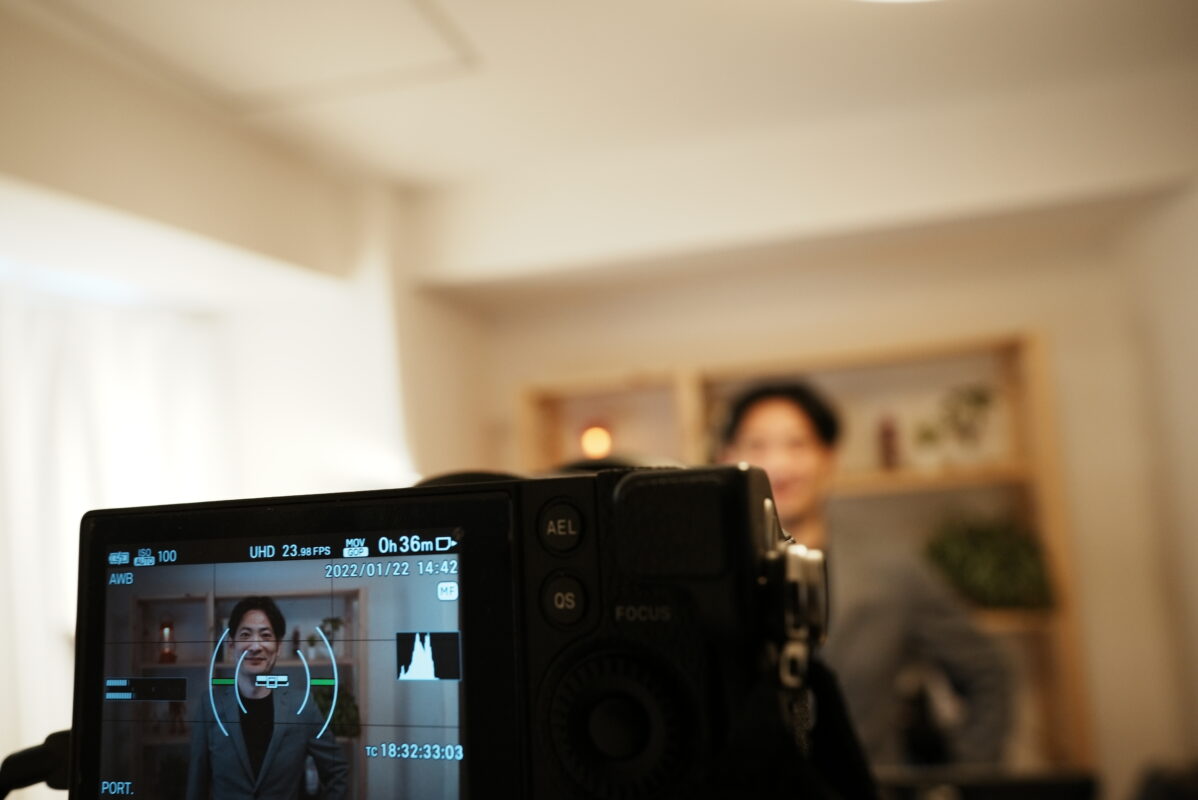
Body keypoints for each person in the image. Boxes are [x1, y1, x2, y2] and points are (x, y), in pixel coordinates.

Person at [719, 381, 1011, 767]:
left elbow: (987, 671)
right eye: (757, 445)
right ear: (728, 458)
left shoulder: (891, 569)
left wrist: (962, 780)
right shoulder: (709, 577)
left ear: (828, 457)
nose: (780, 464)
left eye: (797, 444)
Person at [187, 596, 349, 800]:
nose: (255, 646)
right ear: (231, 645)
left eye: (265, 635)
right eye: (245, 635)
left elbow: (337, 771)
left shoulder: (301, 706)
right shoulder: (209, 705)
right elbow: (197, 784)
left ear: (278, 647)